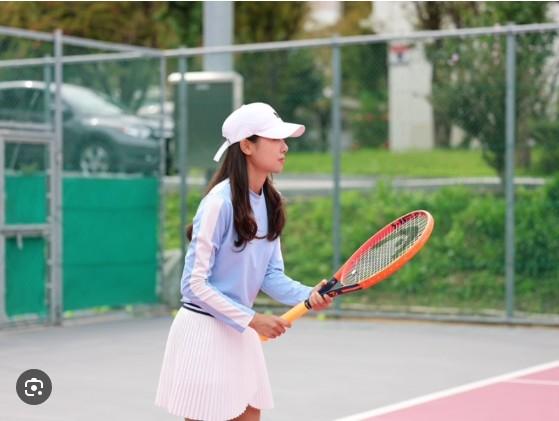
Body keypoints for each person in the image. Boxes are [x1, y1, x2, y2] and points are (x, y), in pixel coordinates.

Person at [155, 102, 333, 421]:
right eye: (274, 139)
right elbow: (193, 285)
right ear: (247, 146)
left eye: (284, 139)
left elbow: (269, 274)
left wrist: (308, 294)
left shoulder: (271, 202)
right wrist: (251, 319)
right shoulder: (217, 204)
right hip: (204, 333)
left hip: (240, 333)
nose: (284, 147)